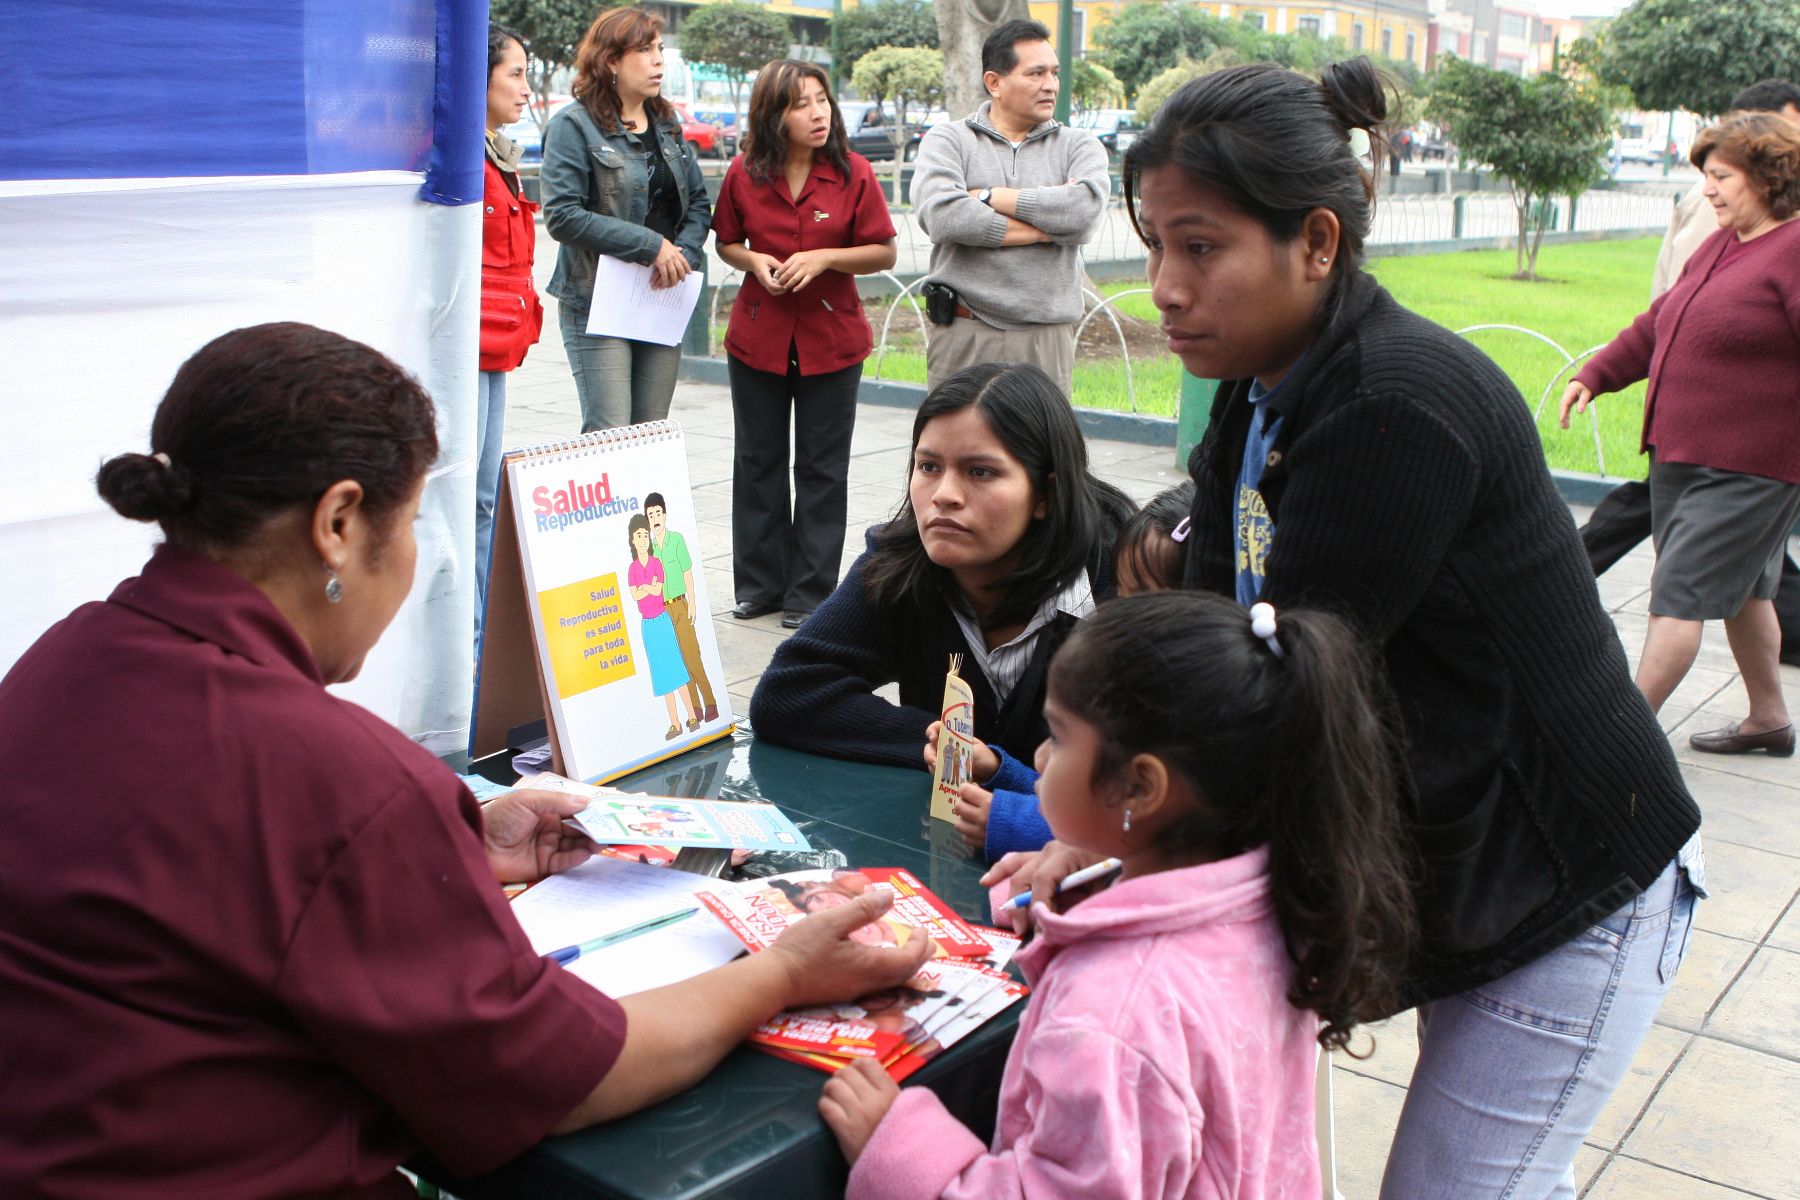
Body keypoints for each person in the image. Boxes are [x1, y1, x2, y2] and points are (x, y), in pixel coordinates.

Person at [0, 323, 931, 1200]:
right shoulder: (335, 775)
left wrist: (447, 845)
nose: (413, 561)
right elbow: (566, 1077)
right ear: (338, 523)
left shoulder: (60, 661)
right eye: (409, 524)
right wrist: (783, 973)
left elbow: (197, 882)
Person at [996, 61, 1703, 1199]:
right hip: (1458, 850)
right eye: (1155, 245)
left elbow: (1268, 708)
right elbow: (1220, 633)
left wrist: (1111, 832)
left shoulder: (1394, 402)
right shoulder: (1264, 378)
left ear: (1316, 243)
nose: (1163, 287)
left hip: (1570, 872)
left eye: (1200, 247)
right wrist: (1103, 826)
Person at [819, 592, 1418, 1198]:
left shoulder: (1113, 1015)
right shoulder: (1272, 899)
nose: (1041, 756)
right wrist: (1094, 889)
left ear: (1140, 787)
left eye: (1058, 735)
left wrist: (899, 1145)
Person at [749, 362, 1134, 772]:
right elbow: (787, 695)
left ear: (1047, 495)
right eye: (929, 466)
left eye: (981, 472)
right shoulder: (897, 567)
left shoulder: (1122, 583)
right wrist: (944, 744)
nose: (944, 495)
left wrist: (1003, 773)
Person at [1561, 111, 1800, 756]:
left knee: (1677, 598)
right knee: (1747, 592)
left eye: (1720, 177)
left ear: (1768, 177)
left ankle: (1619, 744)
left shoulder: (1795, 249)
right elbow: (1662, 320)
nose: (1708, 191)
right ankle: (1769, 718)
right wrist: (1599, 372)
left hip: (1749, 466)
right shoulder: (1726, 242)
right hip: (1687, 456)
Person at [712, 59, 898, 630]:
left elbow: (884, 252)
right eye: (801, 104)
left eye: (822, 100)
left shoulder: (855, 172)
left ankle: (810, 593)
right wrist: (752, 259)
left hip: (832, 341)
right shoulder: (745, 172)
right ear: (773, 114)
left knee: (822, 467)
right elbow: (725, 241)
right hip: (757, 337)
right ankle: (760, 586)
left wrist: (826, 257)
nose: (818, 113)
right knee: (757, 462)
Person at [924, 479, 1196, 861]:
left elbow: (1137, 830)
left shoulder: (1195, 723)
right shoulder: (1135, 684)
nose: (1121, 619)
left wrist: (1007, 821)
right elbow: (1089, 796)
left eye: (1148, 604)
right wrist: (999, 769)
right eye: (1122, 595)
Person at [910, 19, 1110, 396]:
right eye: (1035, 73)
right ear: (994, 82)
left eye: (1053, 72)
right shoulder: (949, 140)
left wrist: (988, 196)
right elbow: (943, 215)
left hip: (1045, 338)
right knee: (956, 448)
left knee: (1039, 453)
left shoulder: (1078, 145)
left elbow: (1083, 214)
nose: (1050, 84)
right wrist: (1048, 229)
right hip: (963, 333)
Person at [542, 7, 710, 432]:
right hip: (597, 299)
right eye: (644, 50)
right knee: (609, 434)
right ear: (611, 61)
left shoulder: (667, 123)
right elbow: (562, 216)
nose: (658, 61)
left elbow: (698, 205)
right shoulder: (574, 125)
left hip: (659, 297)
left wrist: (682, 256)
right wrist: (651, 246)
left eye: (660, 49)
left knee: (649, 432)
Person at [476, 23, 545, 628]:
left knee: (481, 497)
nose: (526, 87)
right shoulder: (463, 160)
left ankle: (476, 637)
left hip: (497, 347)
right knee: (467, 498)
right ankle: (471, 637)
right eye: (515, 73)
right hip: (467, 347)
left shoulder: (496, 154)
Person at [644, 490, 717, 723]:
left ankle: (710, 703)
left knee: (693, 656)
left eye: (658, 513)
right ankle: (694, 709)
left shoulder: (677, 540)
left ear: (664, 515)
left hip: (680, 605)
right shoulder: (650, 550)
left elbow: (687, 572)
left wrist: (693, 604)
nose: (655, 518)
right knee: (679, 661)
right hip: (661, 610)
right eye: (650, 514)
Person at [627, 512, 696, 739]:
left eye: (645, 535)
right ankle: (675, 723)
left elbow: (656, 591)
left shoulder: (656, 563)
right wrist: (647, 587)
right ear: (633, 540)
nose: (644, 539)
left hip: (663, 620)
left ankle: (692, 715)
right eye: (639, 535)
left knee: (676, 668)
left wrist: (645, 588)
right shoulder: (633, 569)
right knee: (663, 676)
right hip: (649, 625)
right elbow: (635, 595)